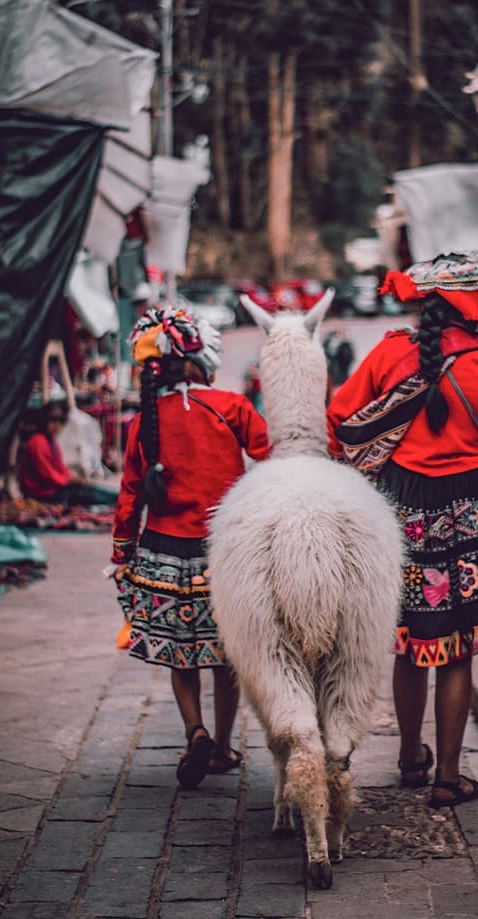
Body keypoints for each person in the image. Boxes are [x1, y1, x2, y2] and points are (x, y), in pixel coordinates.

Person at [327, 252, 478, 807]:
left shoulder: (389, 352)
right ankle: (448, 778)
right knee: (457, 649)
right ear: (477, 307)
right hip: (475, 513)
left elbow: (340, 419)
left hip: (398, 513)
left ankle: (411, 756)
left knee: (409, 644)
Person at [110, 306, 270, 788]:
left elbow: (129, 494)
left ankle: (194, 731)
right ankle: (222, 747)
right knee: (227, 656)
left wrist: (121, 552)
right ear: (204, 358)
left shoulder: (145, 421)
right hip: (223, 554)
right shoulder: (231, 407)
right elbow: (271, 452)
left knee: (182, 655)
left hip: (162, 553)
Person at [19, 402, 117, 506]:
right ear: (44, 420)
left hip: (53, 488)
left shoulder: (51, 442)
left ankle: (121, 499)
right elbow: (47, 474)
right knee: (88, 495)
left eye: (61, 421)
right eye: (53, 420)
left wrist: (71, 477)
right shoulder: (37, 442)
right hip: (42, 493)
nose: (57, 425)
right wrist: (68, 480)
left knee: (92, 489)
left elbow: (60, 467)